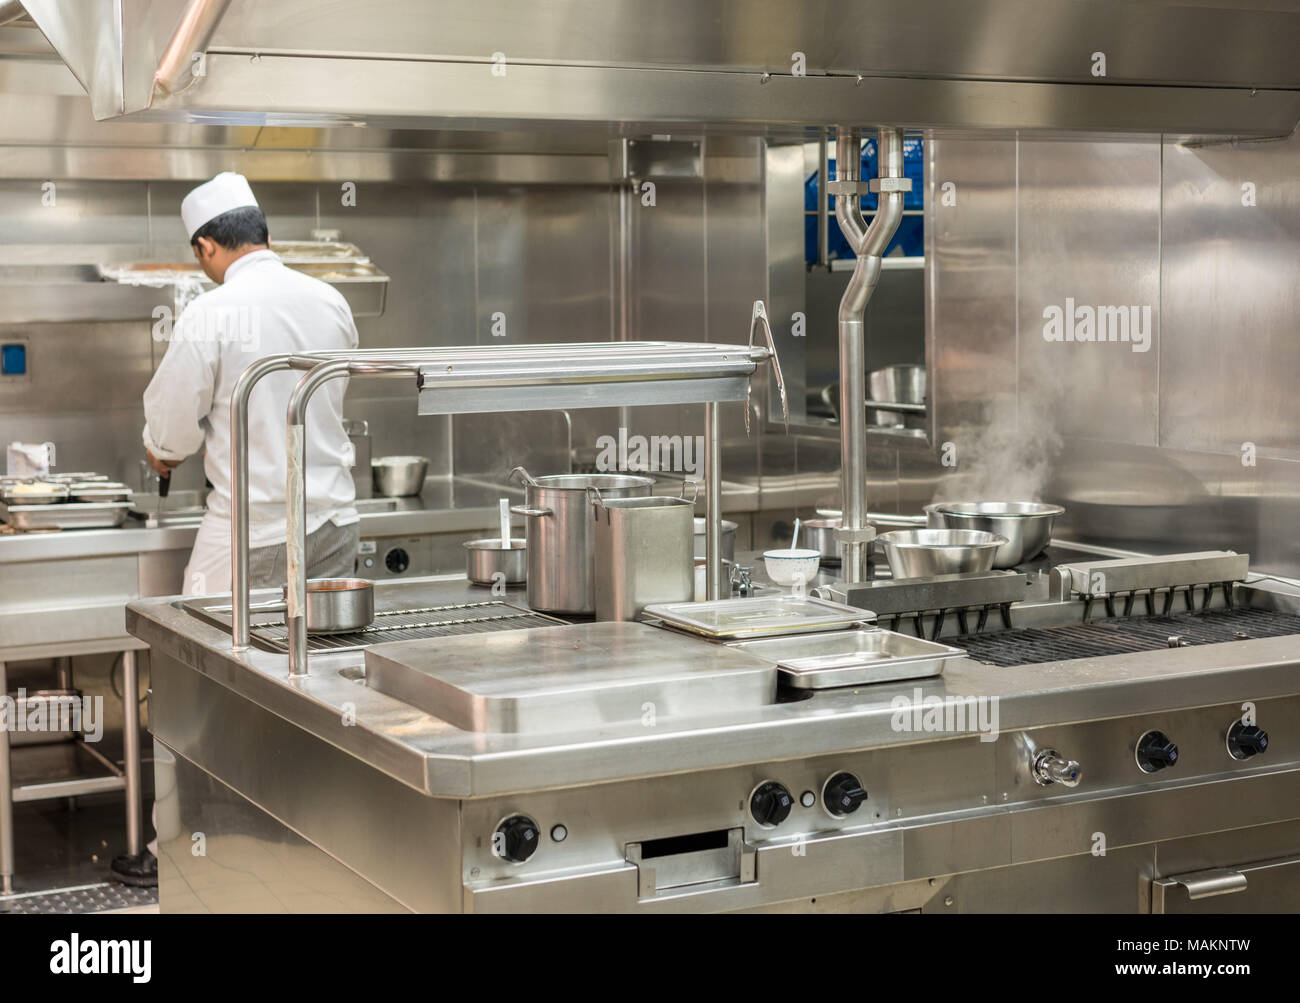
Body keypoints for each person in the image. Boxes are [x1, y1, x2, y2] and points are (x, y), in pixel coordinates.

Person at [109, 173, 361, 887]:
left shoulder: (211, 314)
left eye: (199, 255)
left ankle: (197, 847)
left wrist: (160, 452)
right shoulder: (329, 299)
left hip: (252, 533)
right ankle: (317, 839)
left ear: (208, 246)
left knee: (208, 684)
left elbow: (169, 429)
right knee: (318, 684)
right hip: (335, 525)